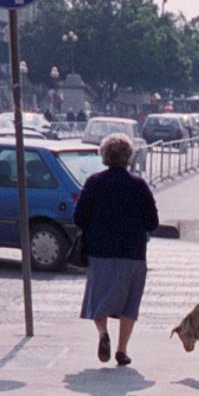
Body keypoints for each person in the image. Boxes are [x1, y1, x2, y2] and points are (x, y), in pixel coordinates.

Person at [74, 133, 158, 366]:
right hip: (133, 252)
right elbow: (153, 222)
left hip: (100, 252)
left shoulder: (93, 182)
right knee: (130, 302)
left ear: (104, 156)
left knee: (99, 297)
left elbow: (79, 218)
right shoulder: (139, 185)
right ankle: (122, 350)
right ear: (129, 158)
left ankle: (103, 333)